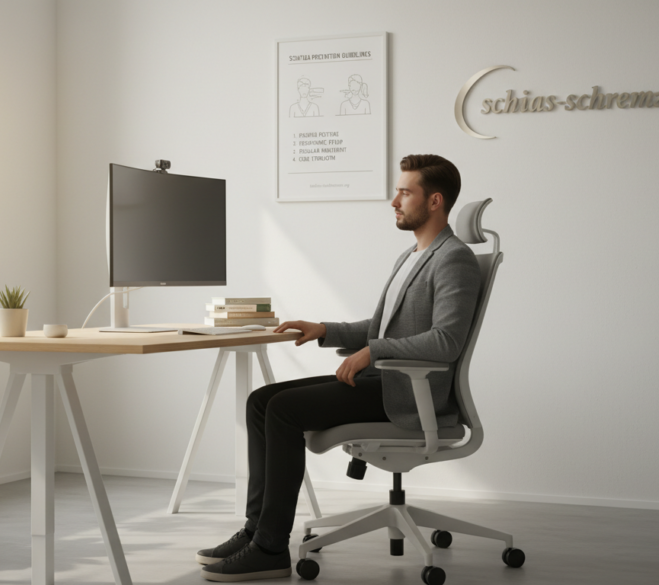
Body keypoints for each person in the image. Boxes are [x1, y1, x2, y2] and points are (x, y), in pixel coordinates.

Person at [197, 154, 482, 582]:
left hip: (406, 394)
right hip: (383, 380)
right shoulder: (411, 256)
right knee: (260, 401)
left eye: (405, 192)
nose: (394, 201)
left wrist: (372, 352)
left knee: (284, 410)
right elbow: (381, 326)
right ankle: (256, 531)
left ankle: (271, 548)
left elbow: (446, 341)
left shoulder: (453, 258)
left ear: (435, 201)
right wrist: (324, 329)